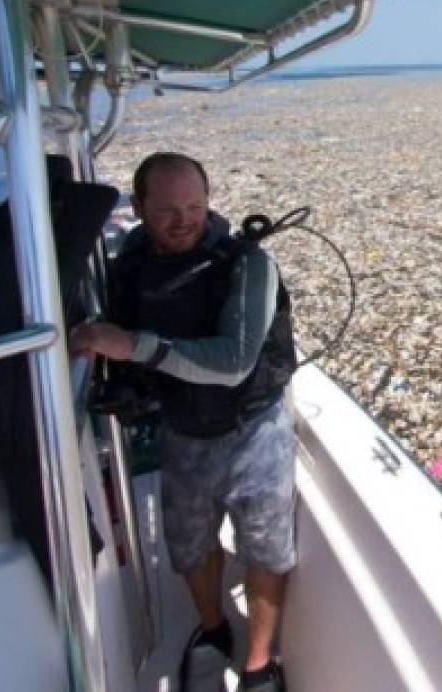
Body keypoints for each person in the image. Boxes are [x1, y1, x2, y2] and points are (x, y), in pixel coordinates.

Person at [70, 152, 297, 692]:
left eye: (195, 205)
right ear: (140, 207)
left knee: (266, 546)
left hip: (253, 430)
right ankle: (214, 629)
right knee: (189, 544)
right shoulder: (133, 260)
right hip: (183, 429)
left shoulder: (246, 265)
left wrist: (133, 347)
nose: (184, 219)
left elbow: (234, 360)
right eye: (168, 208)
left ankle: (259, 664)